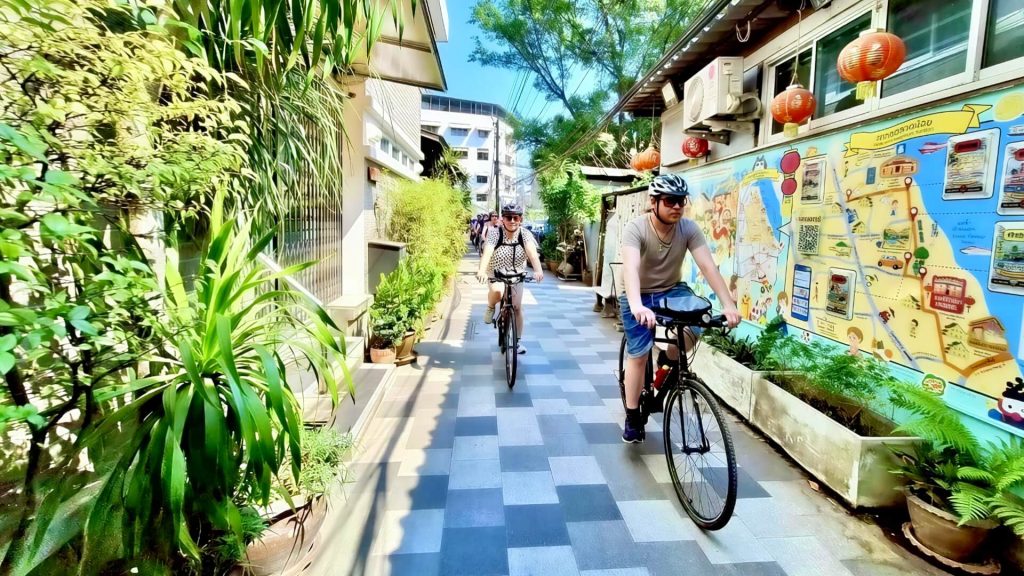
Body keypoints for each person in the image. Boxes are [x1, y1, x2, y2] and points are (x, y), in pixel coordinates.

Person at [619, 173, 741, 443]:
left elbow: (708, 266)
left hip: (672, 290)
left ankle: (667, 360)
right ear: (654, 202)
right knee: (639, 355)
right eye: (670, 201)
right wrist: (637, 305)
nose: (676, 206)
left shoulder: (688, 229)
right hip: (638, 294)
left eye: (681, 201)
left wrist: (728, 305)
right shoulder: (636, 228)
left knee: (694, 326)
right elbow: (631, 269)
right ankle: (632, 416)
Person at [476, 203, 544, 354]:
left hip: (517, 273)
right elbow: (487, 253)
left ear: (520, 219)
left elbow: (532, 254)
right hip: (496, 272)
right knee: (498, 292)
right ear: (503, 219)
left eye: (516, 217)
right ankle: (491, 306)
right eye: (508, 217)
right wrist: (481, 271)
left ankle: (517, 342)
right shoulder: (495, 233)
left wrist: (538, 270)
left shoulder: (525, 234)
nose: (512, 221)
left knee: (517, 307)